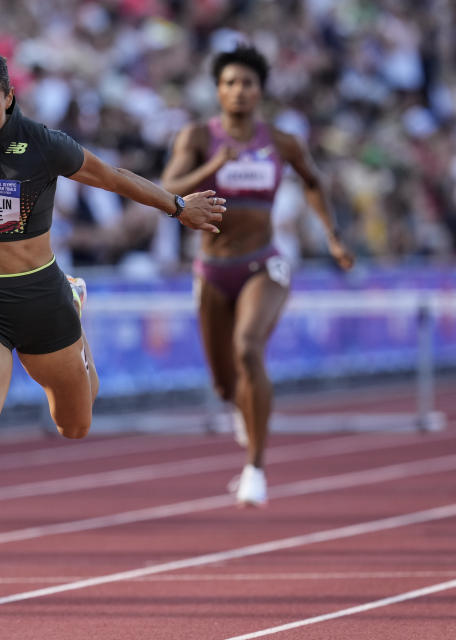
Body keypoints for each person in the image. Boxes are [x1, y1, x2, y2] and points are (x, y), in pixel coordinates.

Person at [0, 43, 224, 626]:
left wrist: (176, 207)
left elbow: (112, 177)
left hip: (41, 297)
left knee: (74, 424)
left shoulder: (41, 143)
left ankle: (76, 308)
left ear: (9, 100)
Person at [161, 44, 354, 508]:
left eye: (247, 83)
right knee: (226, 385)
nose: (239, 91)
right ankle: (242, 410)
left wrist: (331, 235)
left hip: (265, 262)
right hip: (211, 268)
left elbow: (312, 180)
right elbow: (166, 188)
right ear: (218, 91)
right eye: (230, 83)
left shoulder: (282, 141)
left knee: (248, 347)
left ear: (260, 90)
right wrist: (214, 167)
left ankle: (256, 467)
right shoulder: (197, 137)